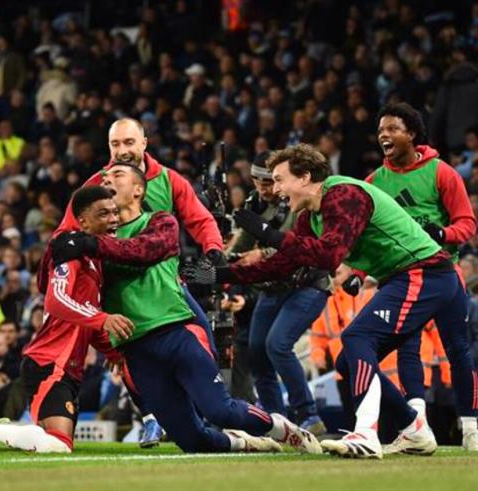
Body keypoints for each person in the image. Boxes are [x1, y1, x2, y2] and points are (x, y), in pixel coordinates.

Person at [183, 143, 478, 457]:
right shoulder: (312, 216)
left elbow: (328, 255)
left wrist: (269, 233)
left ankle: (366, 433)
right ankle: (414, 429)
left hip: (425, 273)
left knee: (357, 337)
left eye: (281, 179)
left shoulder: (345, 195)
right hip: (412, 276)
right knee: (347, 361)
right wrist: (220, 275)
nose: (277, 189)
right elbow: (281, 264)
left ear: (306, 176)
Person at [54, 164, 322, 454]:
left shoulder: (160, 222)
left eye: (117, 176)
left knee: (221, 411)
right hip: (137, 350)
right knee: (191, 440)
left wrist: (86, 244)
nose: (108, 180)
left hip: (178, 331)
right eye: (105, 177)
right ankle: (245, 443)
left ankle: (280, 427)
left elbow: (145, 252)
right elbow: (72, 290)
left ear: (139, 190)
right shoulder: (92, 244)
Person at [0, 185, 173, 452]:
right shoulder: (71, 254)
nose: (114, 219)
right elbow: (55, 300)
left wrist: (111, 350)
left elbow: (84, 323)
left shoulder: (94, 263)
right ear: (83, 221)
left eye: (115, 212)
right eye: (103, 214)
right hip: (49, 364)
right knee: (58, 446)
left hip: (67, 368)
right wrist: (103, 318)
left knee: (51, 440)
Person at [39, 117, 226, 446]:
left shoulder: (168, 180)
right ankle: (152, 416)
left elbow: (200, 218)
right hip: (115, 291)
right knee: (126, 356)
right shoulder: (96, 185)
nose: (121, 151)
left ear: (143, 144)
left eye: (128, 143)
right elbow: (66, 234)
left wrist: (213, 251)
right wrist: (55, 267)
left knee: (204, 342)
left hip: (165, 288)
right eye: (115, 144)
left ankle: (215, 410)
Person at [365, 102, 477, 454]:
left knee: (458, 350)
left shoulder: (442, 173)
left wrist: (442, 234)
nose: (384, 135)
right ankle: (417, 427)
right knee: (406, 350)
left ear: (412, 134)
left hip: (443, 275)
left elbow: (468, 223)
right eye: (381, 130)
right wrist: (358, 272)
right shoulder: (373, 183)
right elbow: (366, 235)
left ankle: (471, 428)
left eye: (392, 129)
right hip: (400, 277)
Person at [237, 151, 330, 434]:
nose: (267, 188)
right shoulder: (254, 205)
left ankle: (308, 415)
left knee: (277, 344)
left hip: (307, 283)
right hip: (272, 287)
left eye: (271, 181)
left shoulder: (295, 199)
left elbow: (296, 244)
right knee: (256, 353)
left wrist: (260, 254)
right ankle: (278, 422)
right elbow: (241, 243)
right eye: (259, 182)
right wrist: (222, 255)